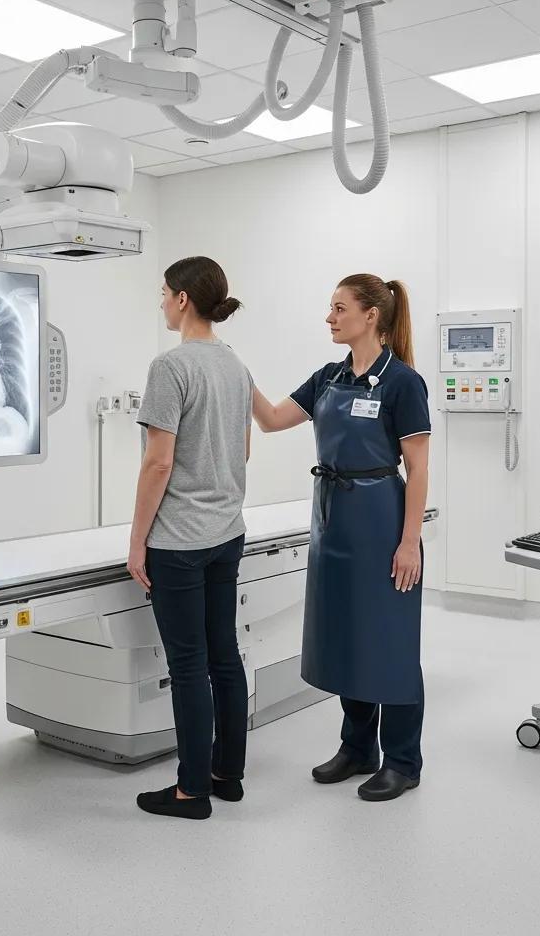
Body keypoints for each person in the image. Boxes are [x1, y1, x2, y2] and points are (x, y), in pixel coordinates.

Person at [251, 274, 430, 803]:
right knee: (347, 633)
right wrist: (235, 373)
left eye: (338, 308)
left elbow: (418, 469)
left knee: (390, 641)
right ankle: (357, 748)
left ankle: (402, 759)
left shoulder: (402, 382)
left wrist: (409, 542)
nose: (329, 317)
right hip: (332, 519)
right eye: (330, 309)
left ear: (370, 315)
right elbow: (272, 419)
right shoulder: (329, 377)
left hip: (380, 519)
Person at [128, 256, 253, 821]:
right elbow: (243, 449)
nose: (160, 303)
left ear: (182, 300)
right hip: (227, 534)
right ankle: (227, 776)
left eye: (163, 293)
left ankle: (190, 791)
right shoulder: (234, 366)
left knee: (188, 666)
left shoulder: (170, 367)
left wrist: (137, 543)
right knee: (224, 657)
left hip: (177, 542)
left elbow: (158, 464)